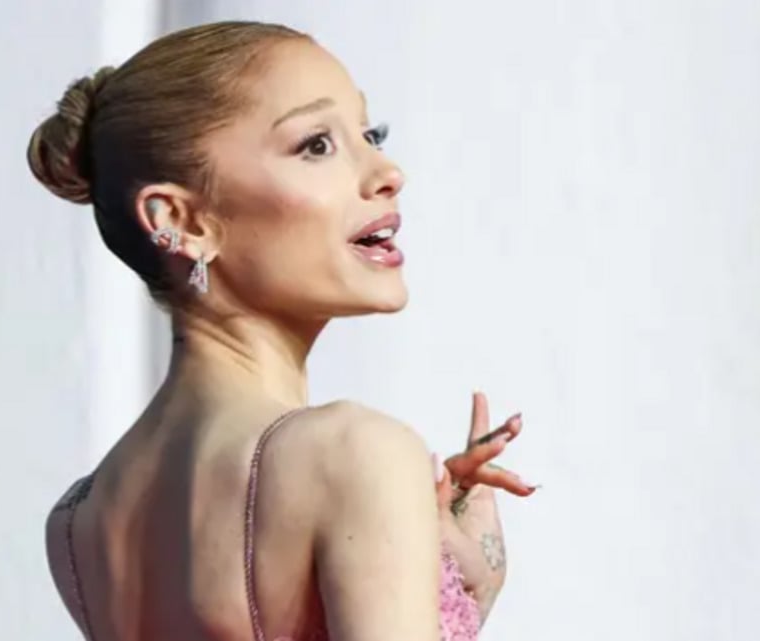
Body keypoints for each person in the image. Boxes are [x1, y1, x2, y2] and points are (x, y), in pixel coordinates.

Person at [28, 20, 537, 641]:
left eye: (370, 134)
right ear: (182, 220)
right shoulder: (354, 454)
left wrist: (457, 588)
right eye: (316, 144)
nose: (387, 171)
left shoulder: (79, 522)